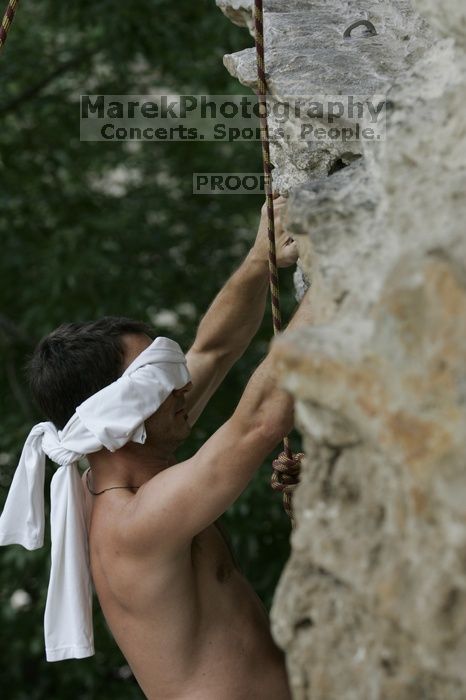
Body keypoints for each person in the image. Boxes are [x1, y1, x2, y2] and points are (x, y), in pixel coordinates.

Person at [26, 196, 314, 699]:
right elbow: (259, 422)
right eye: (158, 385)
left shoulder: (133, 458)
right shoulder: (132, 521)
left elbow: (214, 350)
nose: (180, 389)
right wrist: (344, 279)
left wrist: (258, 257)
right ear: (118, 419)